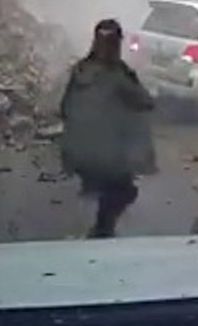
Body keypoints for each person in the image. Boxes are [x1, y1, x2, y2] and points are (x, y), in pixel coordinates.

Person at [57, 18, 158, 238]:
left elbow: (64, 107)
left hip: (79, 154)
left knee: (114, 190)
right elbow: (144, 101)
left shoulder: (80, 70)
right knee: (125, 191)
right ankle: (102, 229)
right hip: (110, 156)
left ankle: (102, 225)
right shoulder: (118, 75)